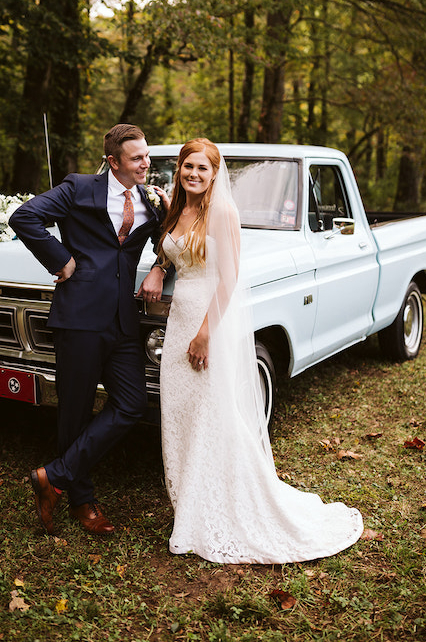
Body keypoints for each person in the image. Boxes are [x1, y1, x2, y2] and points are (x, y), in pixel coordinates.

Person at [156, 138, 363, 562]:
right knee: (184, 412)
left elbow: (229, 279)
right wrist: (158, 270)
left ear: (216, 174)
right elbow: (171, 250)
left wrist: (205, 333)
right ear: (179, 169)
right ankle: (190, 503)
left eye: (202, 168)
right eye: (187, 166)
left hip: (208, 321)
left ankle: (221, 506)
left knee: (215, 414)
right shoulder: (177, 209)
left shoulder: (222, 211)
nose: (193, 174)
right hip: (178, 320)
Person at [10, 124, 167, 536]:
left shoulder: (151, 200)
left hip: (122, 321)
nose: (146, 163)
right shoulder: (78, 188)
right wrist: (60, 260)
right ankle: (82, 501)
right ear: (113, 162)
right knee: (74, 414)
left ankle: (54, 475)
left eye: (147, 156)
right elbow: (24, 217)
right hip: (78, 318)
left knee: (132, 404)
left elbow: (168, 241)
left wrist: (159, 266)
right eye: (137, 158)